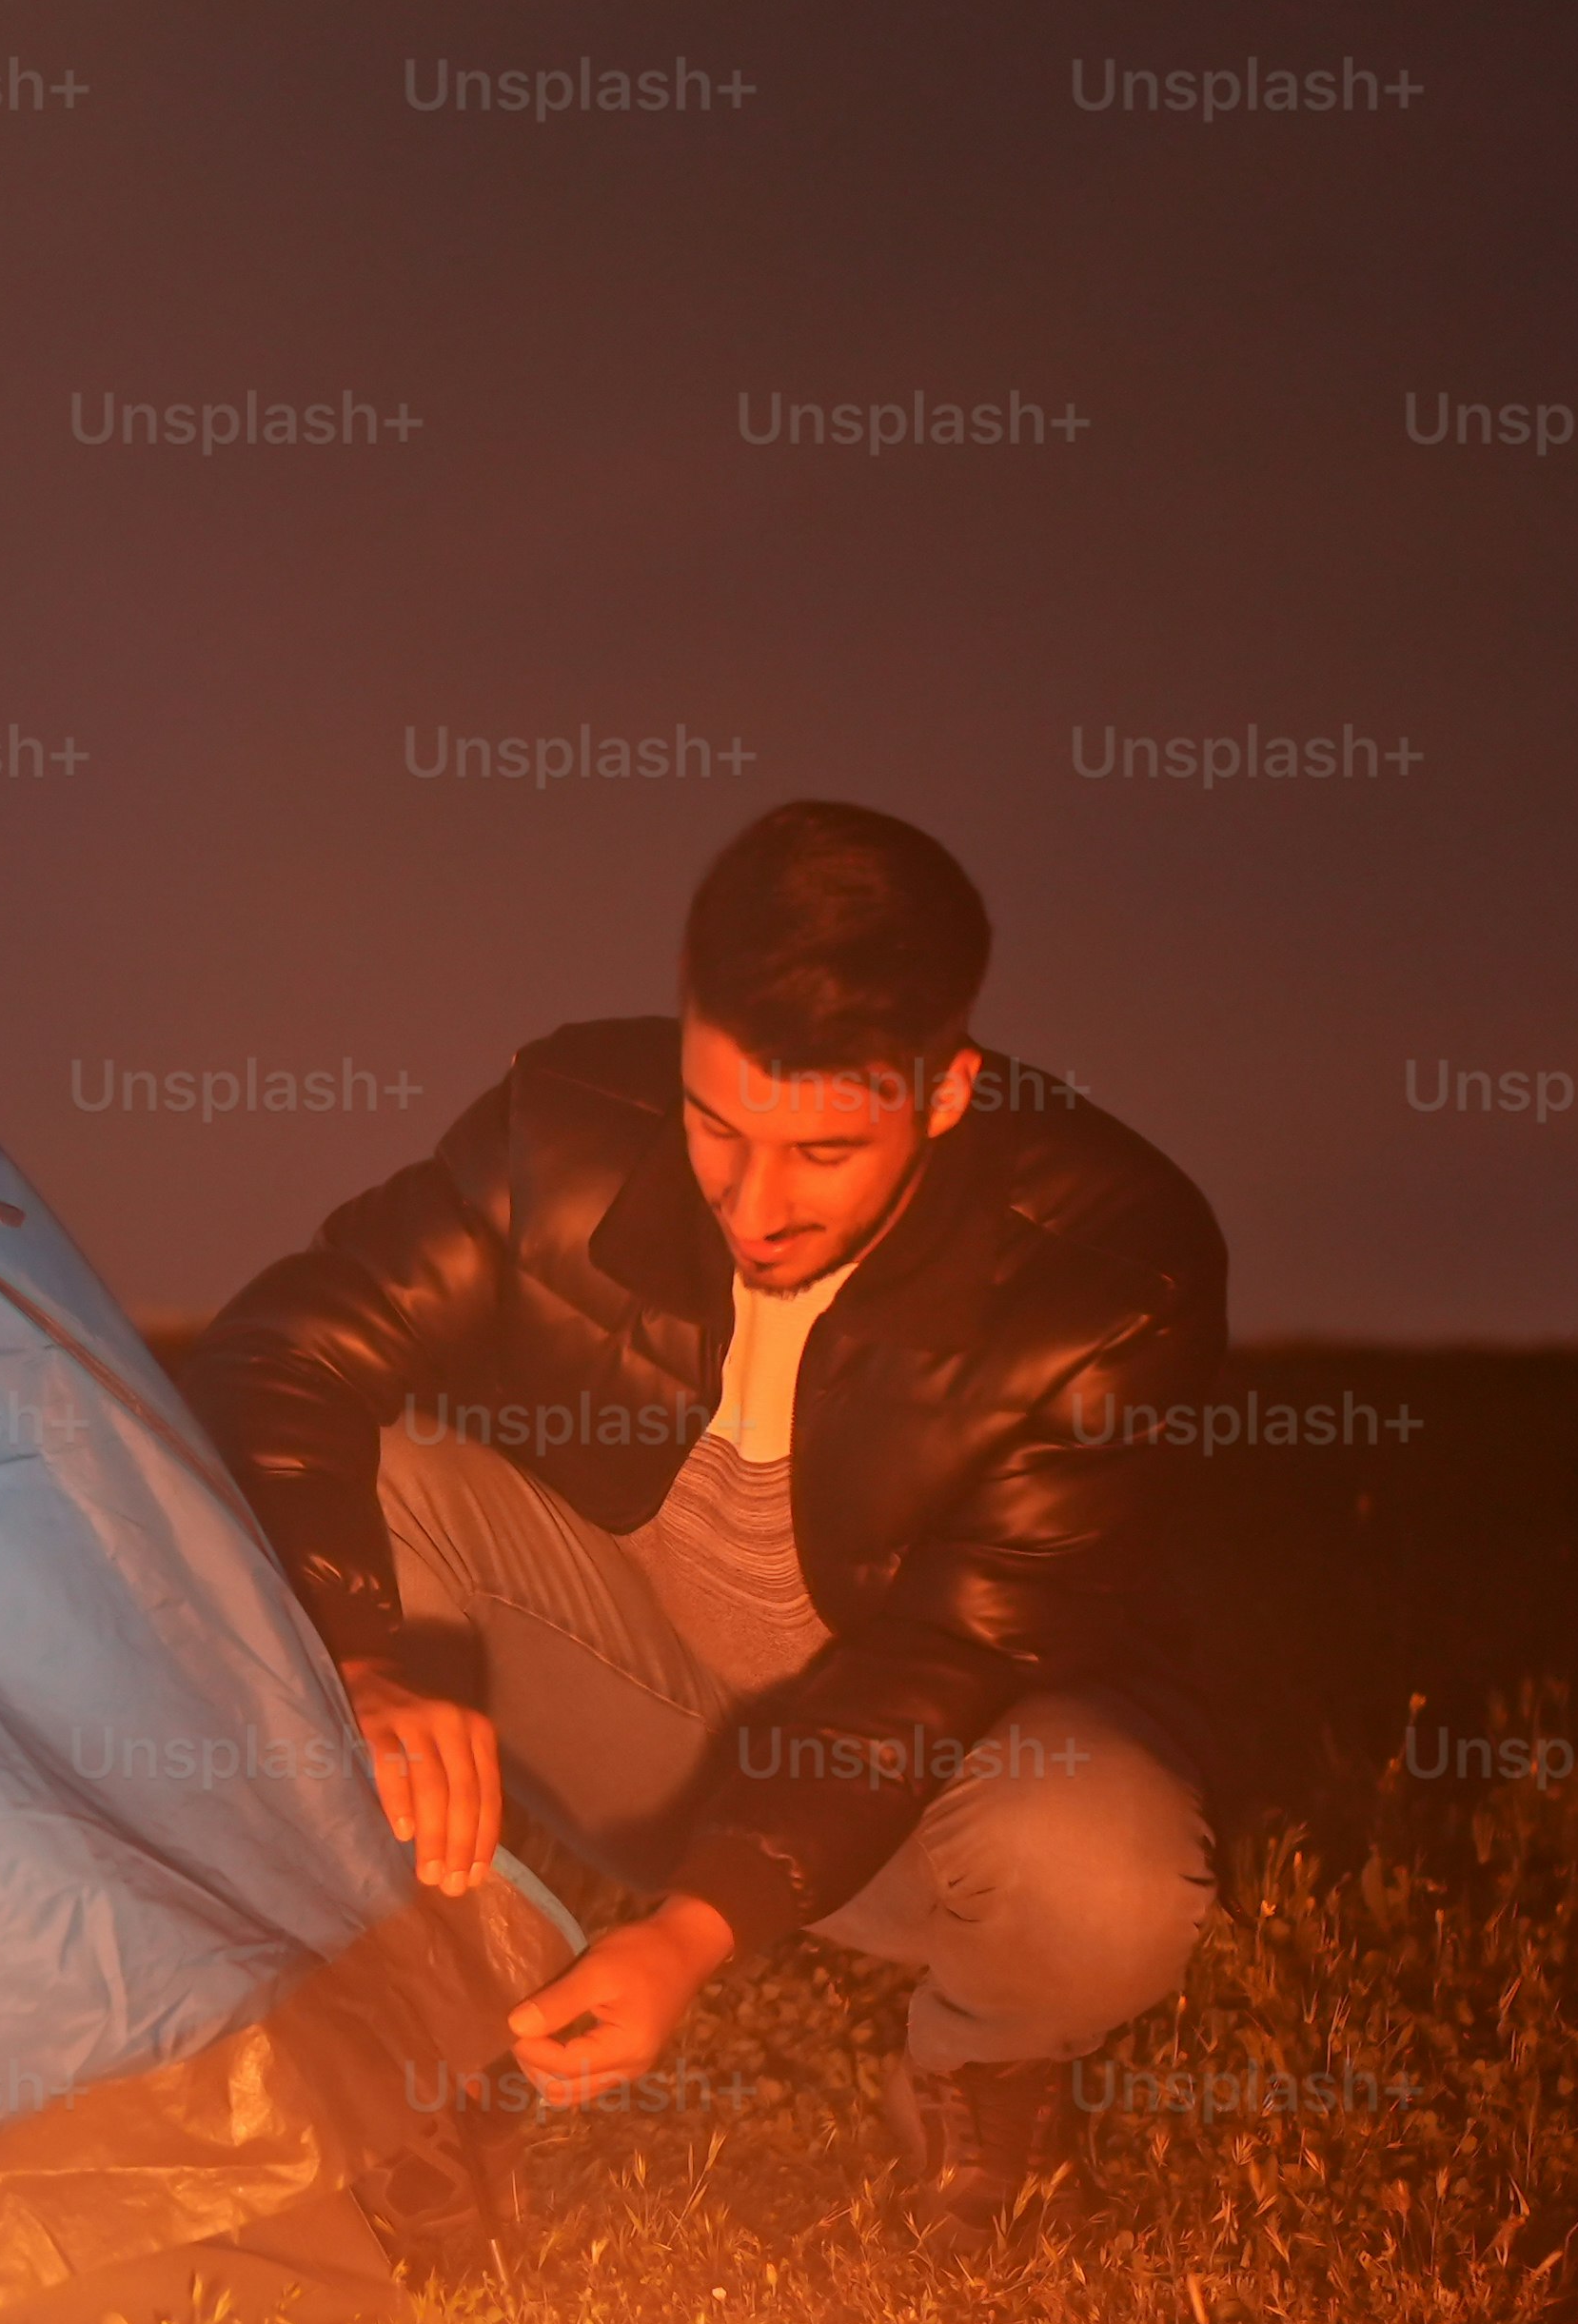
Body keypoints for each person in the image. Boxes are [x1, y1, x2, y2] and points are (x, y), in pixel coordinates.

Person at [182, 801, 1230, 2234]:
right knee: (368, 1487)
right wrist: (362, 1666)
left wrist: (688, 1936)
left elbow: (943, 1666)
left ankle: (987, 2072)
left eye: (823, 1153)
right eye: (714, 1123)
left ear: (944, 1091)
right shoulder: (569, 1124)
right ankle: (419, 2049)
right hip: (631, 1701)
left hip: (920, 1778)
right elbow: (282, 1355)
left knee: (1112, 1875)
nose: (752, 1202)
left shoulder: (1107, 1276)